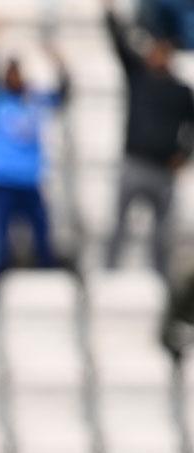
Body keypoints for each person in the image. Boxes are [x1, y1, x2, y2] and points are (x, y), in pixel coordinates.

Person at [105, 0, 194, 276]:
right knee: (118, 226)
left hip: (162, 171)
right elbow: (119, 43)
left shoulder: (180, 91)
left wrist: (185, 155)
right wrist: (108, 13)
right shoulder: (139, 77)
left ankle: (160, 280)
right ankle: (109, 275)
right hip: (134, 164)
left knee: (162, 234)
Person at [0, 29, 69, 280]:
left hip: (29, 178)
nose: (14, 77)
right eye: (10, 72)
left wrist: (58, 62)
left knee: (42, 234)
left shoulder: (35, 100)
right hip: (2, 177)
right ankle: (0, 277)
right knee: (1, 236)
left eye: (17, 72)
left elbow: (63, 94)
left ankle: (47, 273)